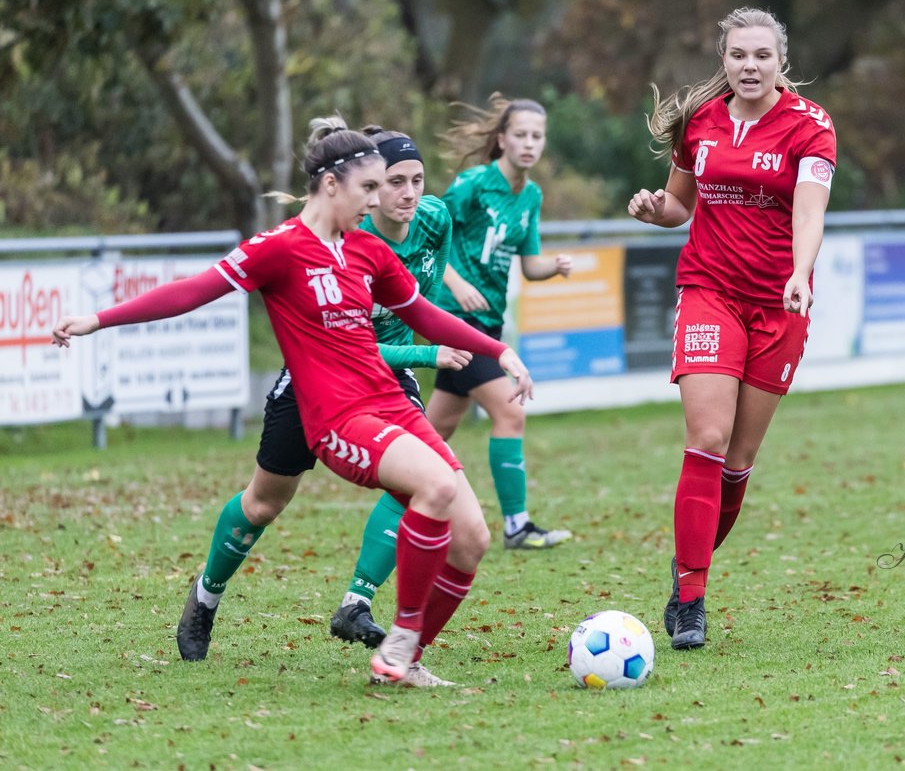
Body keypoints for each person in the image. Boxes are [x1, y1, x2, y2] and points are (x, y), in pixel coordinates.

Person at [51, 117, 534, 687]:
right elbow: (192, 292)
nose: (380, 199)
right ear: (332, 183)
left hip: (391, 400)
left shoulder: (367, 251)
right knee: (364, 494)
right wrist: (98, 320)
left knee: (473, 539)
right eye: (371, 188)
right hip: (333, 415)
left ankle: (404, 659)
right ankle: (379, 646)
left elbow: (422, 315)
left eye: (392, 186)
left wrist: (495, 349)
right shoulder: (279, 248)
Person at [627, 7, 836, 650]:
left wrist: (801, 272)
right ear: (724, 59)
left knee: (738, 463)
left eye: (762, 56)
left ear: (781, 62)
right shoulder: (701, 122)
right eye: (739, 55)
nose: (750, 66)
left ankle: (687, 563)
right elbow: (680, 205)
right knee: (708, 438)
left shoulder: (811, 126)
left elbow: (809, 212)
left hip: (780, 304)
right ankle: (692, 600)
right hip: (708, 293)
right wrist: (652, 209)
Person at [425, 95, 573, 550]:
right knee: (509, 411)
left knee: (435, 432)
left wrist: (555, 266)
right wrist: (455, 280)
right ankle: (517, 526)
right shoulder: (472, 184)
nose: (530, 143)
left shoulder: (530, 196)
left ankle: (402, 494)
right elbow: (426, 239)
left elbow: (528, 266)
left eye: (538, 136)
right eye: (521, 134)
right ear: (501, 139)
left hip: (487, 321)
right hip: (454, 318)